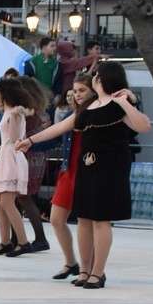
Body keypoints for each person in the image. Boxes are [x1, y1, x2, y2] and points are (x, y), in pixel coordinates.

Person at [17, 61, 151, 289]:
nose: (94, 78)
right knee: (84, 220)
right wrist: (30, 141)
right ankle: (84, 270)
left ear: (105, 78)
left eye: (97, 75)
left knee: (101, 220)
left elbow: (144, 126)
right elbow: (59, 128)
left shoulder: (119, 103)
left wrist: (126, 102)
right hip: (86, 167)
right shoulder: (88, 106)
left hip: (110, 168)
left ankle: (98, 273)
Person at [46, 72, 96, 281]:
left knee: (88, 222)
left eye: (82, 90)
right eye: (74, 91)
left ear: (94, 90)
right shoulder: (71, 115)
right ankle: (71, 262)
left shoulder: (97, 112)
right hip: (68, 170)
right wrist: (29, 143)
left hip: (88, 171)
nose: (77, 95)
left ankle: (90, 269)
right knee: (56, 219)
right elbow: (54, 136)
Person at [0, 78, 35, 256]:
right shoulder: (9, 111)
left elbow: (14, 138)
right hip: (6, 156)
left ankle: (23, 242)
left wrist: (15, 116)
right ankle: (5, 241)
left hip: (11, 158)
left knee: (6, 201)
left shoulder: (14, 112)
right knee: (0, 200)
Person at [17, 76, 52, 252]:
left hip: (26, 155)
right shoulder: (39, 109)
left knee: (22, 196)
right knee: (22, 197)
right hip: (37, 156)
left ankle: (39, 238)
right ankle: (22, 238)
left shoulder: (27, 111)